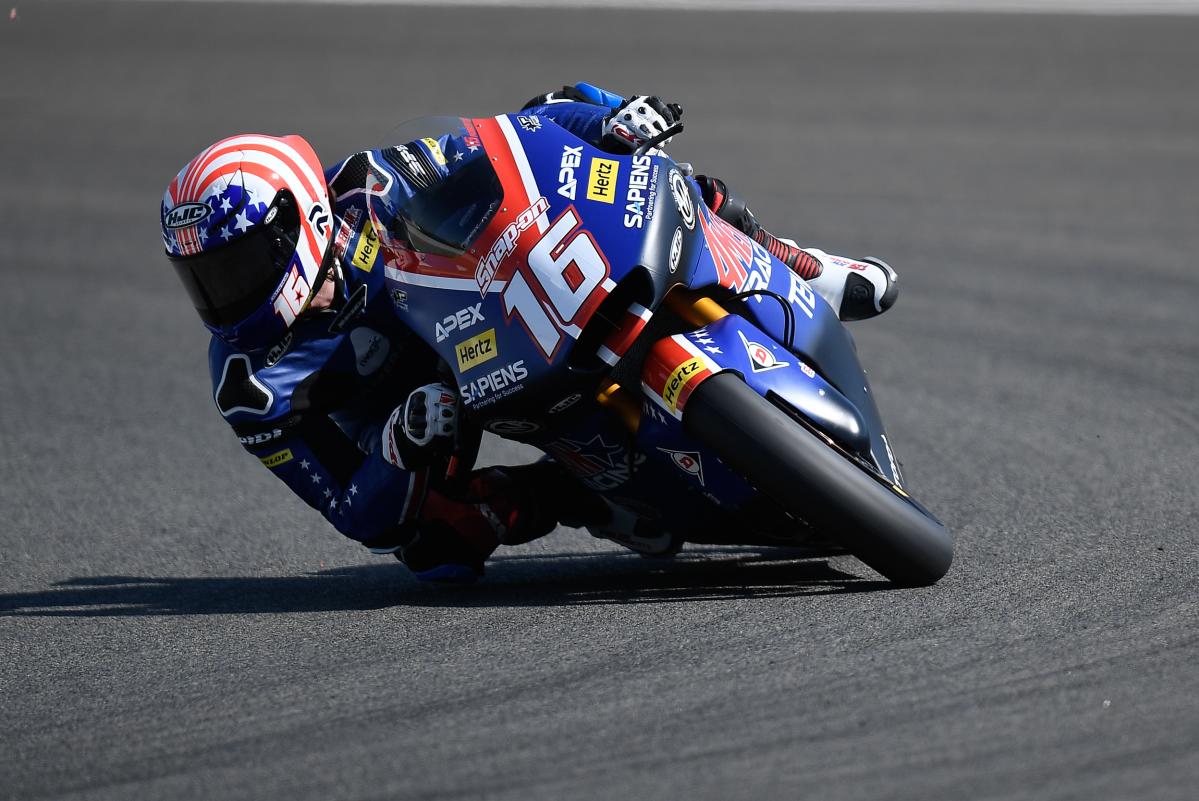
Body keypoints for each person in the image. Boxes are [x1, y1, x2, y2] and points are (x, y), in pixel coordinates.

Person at [160, 83, 898, 582]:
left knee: (582, 114)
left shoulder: (370, 186)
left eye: (237, 266)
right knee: (436, 550)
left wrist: (607, 123)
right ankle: (576, 497)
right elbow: (352, 512)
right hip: (421, 414)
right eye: (205, 279)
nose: (226, 296)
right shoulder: (251, 387)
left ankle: (792, 261)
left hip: (488, 314)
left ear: (302, 217)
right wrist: (397, 447)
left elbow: (513, 142)